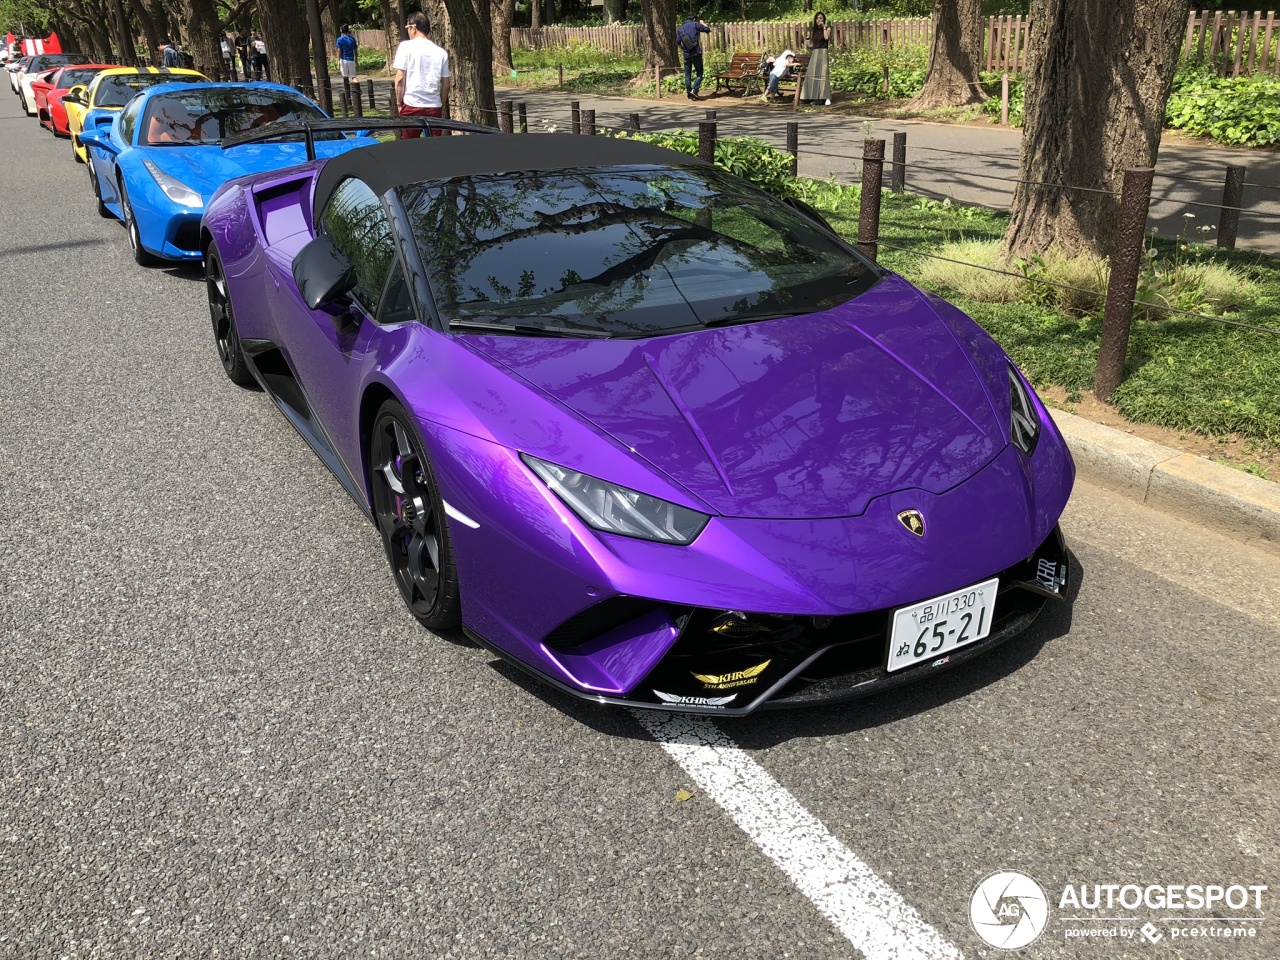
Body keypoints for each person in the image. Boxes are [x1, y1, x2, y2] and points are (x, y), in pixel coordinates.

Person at [393, 11, 450, 139]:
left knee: (409, 146)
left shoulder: (405, 47)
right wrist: (440, 102)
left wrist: (398, 103)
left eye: (407, 28)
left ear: (413, 28)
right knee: (434, 147)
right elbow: (446, 85)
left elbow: (400, 78)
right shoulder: (441, 52)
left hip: (412, 103)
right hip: (434, 106)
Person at [676, 13, 711, 101]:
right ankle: (694, 90)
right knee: (699, 72)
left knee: (687, 75)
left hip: (686, 55)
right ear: (694, 19)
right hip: (696, 53)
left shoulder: (681, 28)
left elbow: (678, 43)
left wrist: (684, 49)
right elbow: (708, 29)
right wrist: (703, 23)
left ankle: (689, 95)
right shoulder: (696, 24)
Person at [800, 12, 832, 106]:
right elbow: (812, 44)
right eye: (818, 18)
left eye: (821, 18)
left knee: (823, 74)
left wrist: (824, 27)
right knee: (812, 74)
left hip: (823, 52)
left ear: (824, 20)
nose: (819, 20)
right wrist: (807, 43)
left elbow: (826, 38)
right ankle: (810, 96)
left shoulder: (827, 28)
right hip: (815, 53)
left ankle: (824, 97)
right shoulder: (814, 30)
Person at [336, 25, 358, 96]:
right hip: (351, 59)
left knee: (345, 77)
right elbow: (355, 50)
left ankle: (348, 92)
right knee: (353, 76)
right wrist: (356, 59)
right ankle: (356, 90)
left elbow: (339, 51)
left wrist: (338, 61)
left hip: (343, 59)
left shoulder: (340, 39)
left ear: (341, 30)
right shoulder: (352, 39)